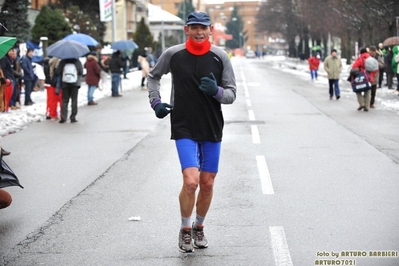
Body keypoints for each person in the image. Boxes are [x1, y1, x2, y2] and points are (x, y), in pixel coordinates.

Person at [147, 11, 236, 253]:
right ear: (187, 29)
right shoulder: (173, 54)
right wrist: (155, 102)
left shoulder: (220, 57)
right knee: (191, 181)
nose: (199, 31)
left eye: (203, 27)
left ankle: (199, 226)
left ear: (210, 30)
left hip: (211, 125)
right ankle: (185, 230)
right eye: (194, 27)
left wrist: (215, 91)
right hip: (183, 124)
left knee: (207, 183)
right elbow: (153, 77)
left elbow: (231, 94)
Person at [55, 57, 83, 123]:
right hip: (75, 83)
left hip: (65, 83)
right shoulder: (77, 61)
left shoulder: (63, 61)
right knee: (74, 100)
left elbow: (57, 72)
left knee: (64, 100)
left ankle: (63, 117)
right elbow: (81, 72)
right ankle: (73, 117)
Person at [351, 47, 378, 112]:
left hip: (361, 77)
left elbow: (354, 66)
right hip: (369, 77)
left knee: (358, 90)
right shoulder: (371, 59)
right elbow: (376, 69)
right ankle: (367, 106)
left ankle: (361, 103)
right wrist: (372, 75)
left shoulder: (360, 58)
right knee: (367, 91)